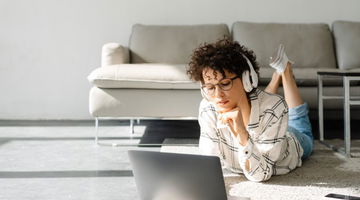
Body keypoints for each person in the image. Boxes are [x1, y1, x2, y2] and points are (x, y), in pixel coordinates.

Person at [186, 38, 314, 182]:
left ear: (247, 79)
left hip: (290, 139)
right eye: (210, 87)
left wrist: (241, 133)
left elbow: (260, 174)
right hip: (265, 121)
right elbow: (208, 164)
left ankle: (285, 71)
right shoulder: (208, 108)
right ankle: (276, 75)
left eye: (225, 83)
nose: (218, 95)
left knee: (298, 124)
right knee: (263, 102)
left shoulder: (275, 107)